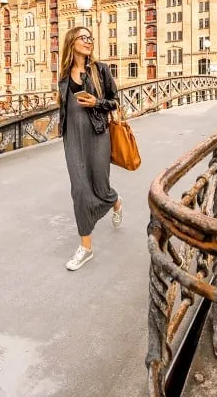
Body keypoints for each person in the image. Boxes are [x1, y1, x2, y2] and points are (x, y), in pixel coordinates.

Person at [57, 26, 122, 271]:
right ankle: (86, 247)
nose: (88, 41)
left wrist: (97, 102)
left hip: (97, 134)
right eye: (83, 37)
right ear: (72, 42)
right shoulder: (63, 73)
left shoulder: (100, 70)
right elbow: (63, 105)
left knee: (101, 187)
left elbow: (116, 101)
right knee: (79, 190)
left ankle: (115, 201)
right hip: (72, 137)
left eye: (90, 37)